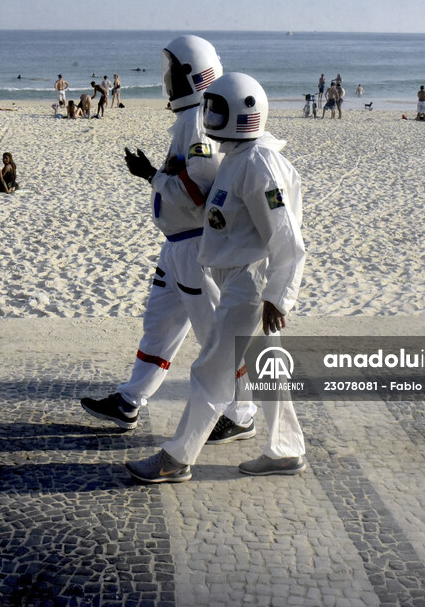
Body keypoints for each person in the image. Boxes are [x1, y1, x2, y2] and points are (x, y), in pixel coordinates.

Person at [126, 72, 306, 483]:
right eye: (210, 106)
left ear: (244, 112)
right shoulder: (238, 157)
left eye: (218, 108)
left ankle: (176, 458)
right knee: (267, 370)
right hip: (239, 281)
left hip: (250, 285)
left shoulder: (259, 162)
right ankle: (286, 450)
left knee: (212, 372)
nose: (210, 115)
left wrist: (279, 296)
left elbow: (286, 236)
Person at [82, 36, 255, 444]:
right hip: (177, 246)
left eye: (172, 73)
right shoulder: (191, 118)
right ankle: (129, 401)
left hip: (194, 248)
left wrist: (150, 175)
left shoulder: (197, 120)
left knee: (215, 333)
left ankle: (242, 412)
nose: (167, 81)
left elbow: (200, 191)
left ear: (190, 75)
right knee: (159, 327)